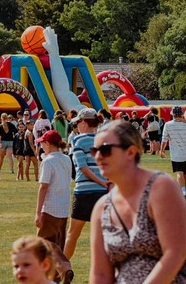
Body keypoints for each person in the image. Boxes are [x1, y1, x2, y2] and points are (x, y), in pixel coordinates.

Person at [89, 121, 186, 283]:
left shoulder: (160, 188)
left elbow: (175, 253)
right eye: (94, 150)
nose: (98, 156)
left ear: (131, 152)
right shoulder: (102, 208)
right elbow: (100, 274)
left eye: (105, 150)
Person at [64, 108, 110, 260]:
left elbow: (82, 167)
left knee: (72, 235)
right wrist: (104, 182)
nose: (76, 125)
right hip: (103, 193)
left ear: (84, 122)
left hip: (84, 192)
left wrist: (100, 181)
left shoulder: (77, 140)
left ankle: (62, 270)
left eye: (77, 122)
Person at [34, 130, 73, 283]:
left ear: (48, 144)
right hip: (63, 208)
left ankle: (64, 268)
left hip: (50, 208)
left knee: (44, 244)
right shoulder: (66, 159)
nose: (42, 146)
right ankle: (55, 278)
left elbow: (44, 186)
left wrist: (37, 212)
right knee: (57, 244)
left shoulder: (48, 161)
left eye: (43, 143)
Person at [160, 106, 186, 199]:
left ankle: (182, 192)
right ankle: (183, 190)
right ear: (181, 114)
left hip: (176, 154)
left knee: (179, 173)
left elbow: (164, 139)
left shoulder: (168, 125)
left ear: (172, 114)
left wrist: (162, 150)